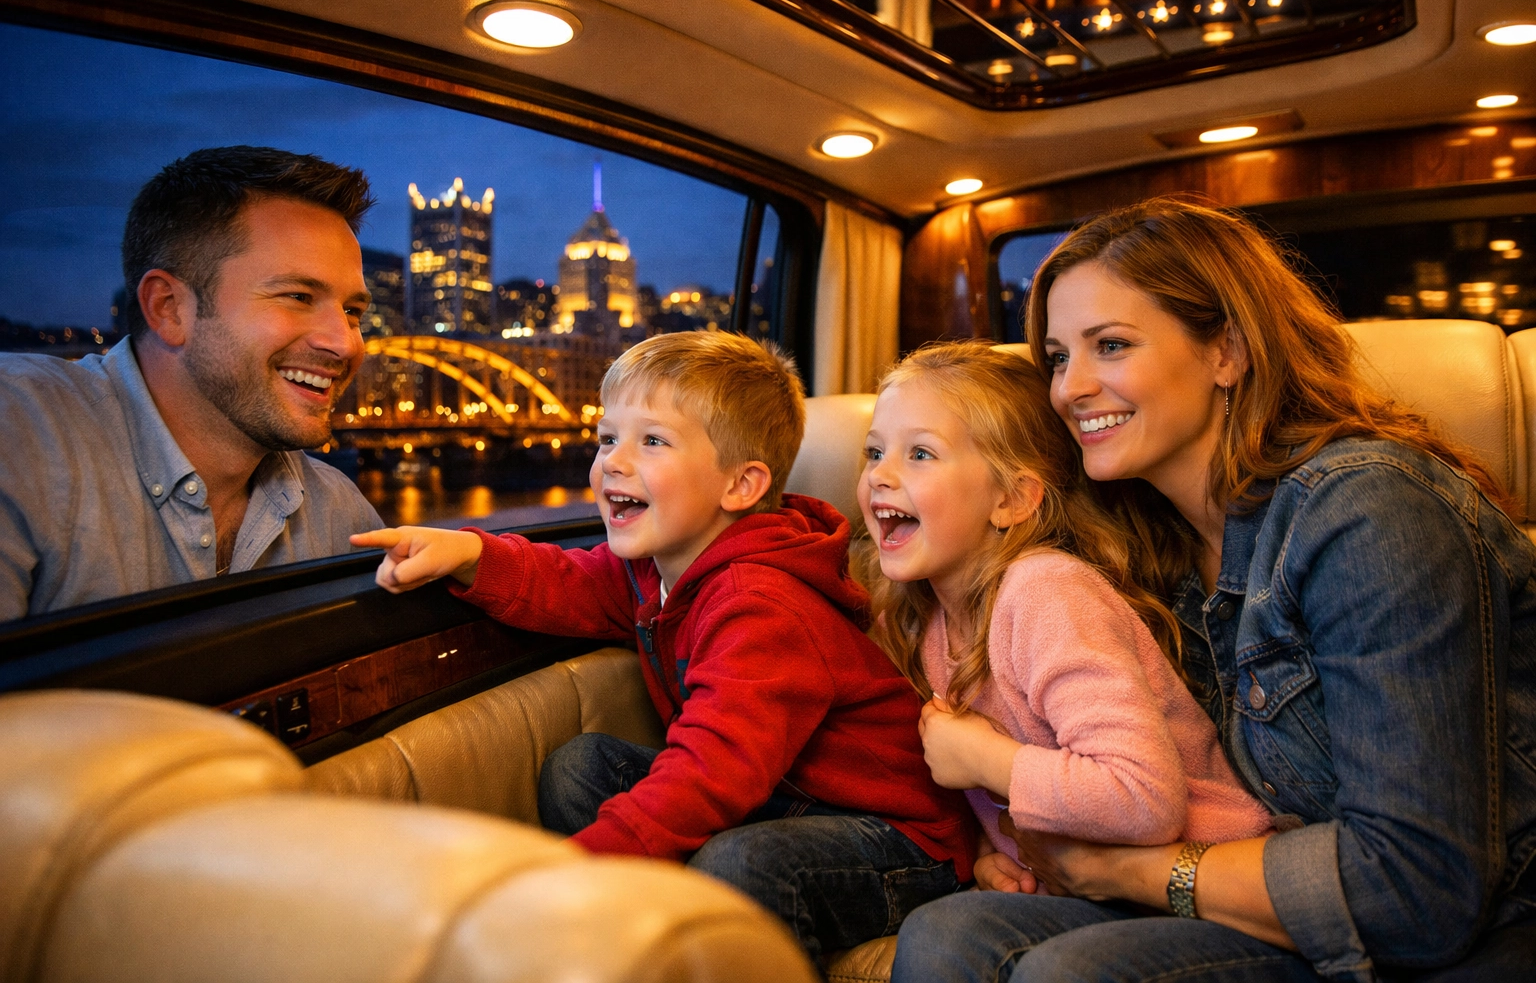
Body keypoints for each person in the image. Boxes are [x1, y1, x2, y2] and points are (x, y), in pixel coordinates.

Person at [896, 198, 1536, 981]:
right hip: (1270, 884)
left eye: (1112, 345)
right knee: (950, 934)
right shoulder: (1151, 547)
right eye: (1060, 358)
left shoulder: (1368, 511)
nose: (1071, 388)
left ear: (1226, 351)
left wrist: (1128, 872)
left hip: (1475, 922)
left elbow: (1418, 887)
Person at [351, 330, 976, 962]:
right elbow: (567, 581)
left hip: (900, 838)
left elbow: (712, 772)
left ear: (740, 486)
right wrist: (469, 553)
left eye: (651, 441)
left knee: (744, 860)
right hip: (786, 796)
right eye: (606, 438)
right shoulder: (658, 571)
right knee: (580, 768)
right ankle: (637, 940)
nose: (613, 462)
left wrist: (568, 870)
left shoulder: (763, 606)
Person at [860, 343, 1271, 982]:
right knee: (942, 931)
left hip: (1205, 882)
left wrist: (985, 761)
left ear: (1013, 500)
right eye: (873, 452)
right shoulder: (924, 621)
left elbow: (1144, 797)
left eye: (920, 454)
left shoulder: (1046, 592)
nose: (881, 475)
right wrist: (983, 848)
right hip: (1089, 891)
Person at [0, 147, 385, 622]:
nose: (345, 344)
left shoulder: (339, 512)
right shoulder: (18, 436)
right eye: (298, 297)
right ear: (169, 308)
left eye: (353, 312)